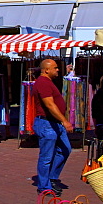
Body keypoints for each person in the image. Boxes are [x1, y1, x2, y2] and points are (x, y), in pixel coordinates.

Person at [31, 58, 73, 195]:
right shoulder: (42, 83)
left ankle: (51, 178)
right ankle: (44, 186)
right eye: (55, 68)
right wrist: (65, 121)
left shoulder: (49, 82)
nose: (58, 70)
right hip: (47, 123)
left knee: (65, 149)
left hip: (55, 124)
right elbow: (49, 104)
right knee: (46, 157)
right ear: (46, 70)